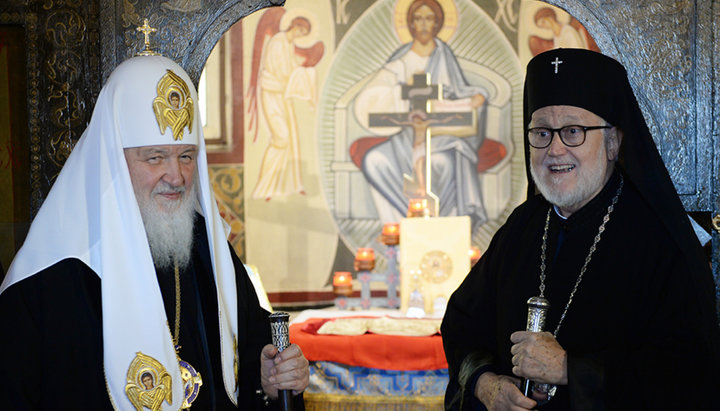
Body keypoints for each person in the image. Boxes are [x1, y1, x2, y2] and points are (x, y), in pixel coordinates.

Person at [0, 54, 309, 410]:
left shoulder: (210, 252)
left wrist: (271, 383)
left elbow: (255, 366)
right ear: (113, 160)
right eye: (155, 157)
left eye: (186, 157)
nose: (176, 177)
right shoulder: (49, 279)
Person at [441, 48, 720, 410]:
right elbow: (462, 324)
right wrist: (485, 384)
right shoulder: (522, 226)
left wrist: (571, 370)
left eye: (573, 131)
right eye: (541, 132)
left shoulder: (659, 240)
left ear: (613, 142)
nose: (554, 149)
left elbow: (689, 373)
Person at [353, 0, 489, 226]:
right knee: (374, 160)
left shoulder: (444, 57)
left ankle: (440, 224)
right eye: (418, 18)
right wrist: (400, 93)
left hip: (441, 137)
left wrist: (477, 98)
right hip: (405, 138)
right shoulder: (400, 61)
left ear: (437, 23)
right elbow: (369, 100)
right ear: (410, 23)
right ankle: (407, 223)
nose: (423, 24)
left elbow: (459, 91)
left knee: (439, 164)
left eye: (429, 18)